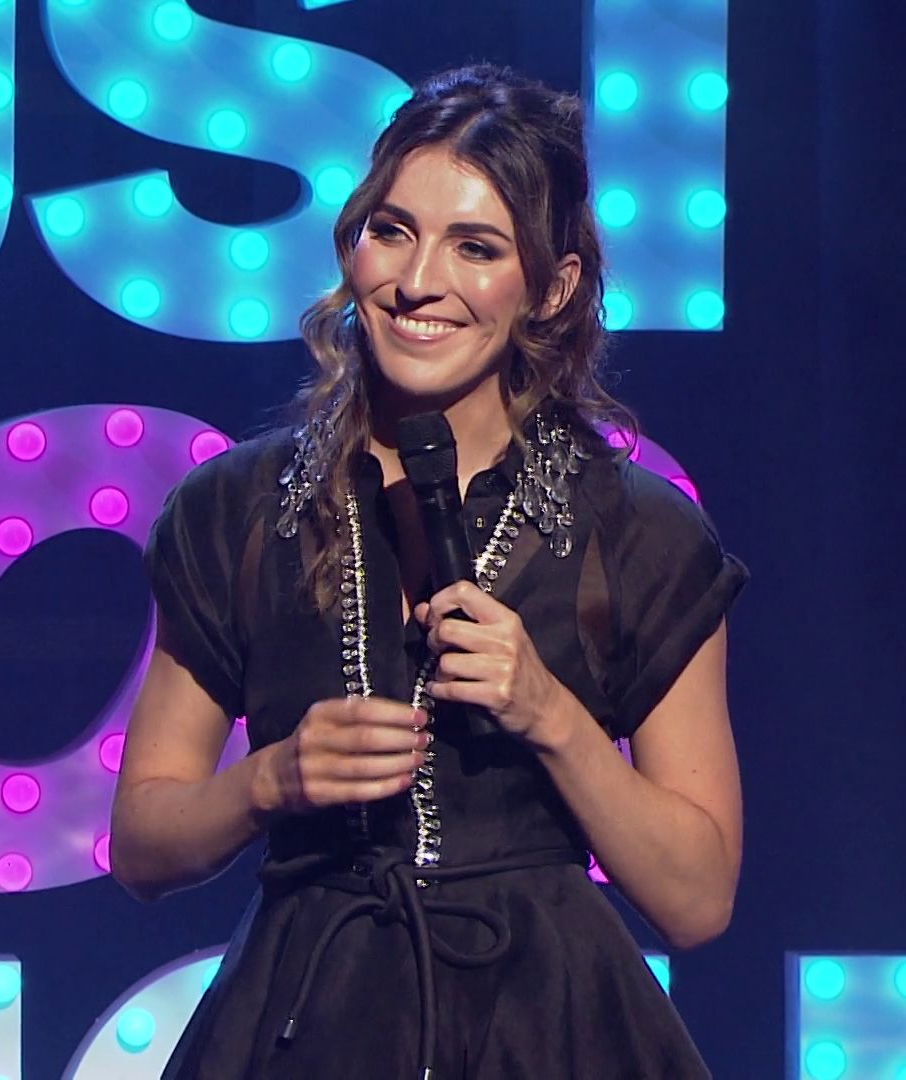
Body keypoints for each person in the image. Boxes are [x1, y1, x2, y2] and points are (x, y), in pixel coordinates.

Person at [111, 64, 749, 1079]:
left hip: (548, 1033)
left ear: (551, 286)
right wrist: (270, 780)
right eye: (392, 231)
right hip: (309, 1024)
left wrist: (549, 713)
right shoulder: (235, 509)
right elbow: (143, 844)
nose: (418, 282)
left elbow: (696, 898)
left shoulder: (637, 532)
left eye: (476, 247)